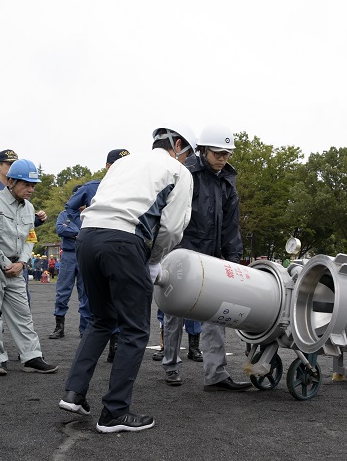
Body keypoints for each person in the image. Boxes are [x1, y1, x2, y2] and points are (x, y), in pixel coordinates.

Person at [58, 124, 195, 433]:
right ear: (178, 145)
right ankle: (115, 412)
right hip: (123, 241)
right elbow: (173, 227)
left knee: (102, 319)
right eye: (189, 153)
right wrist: (154, 260)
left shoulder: (123, 162)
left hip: (87, 237)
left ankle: (74, 392)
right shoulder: (178, 171)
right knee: (134, 329)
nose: (188, 160)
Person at [161, 125, 251, 392]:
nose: (223, 157)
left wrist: (233, 256)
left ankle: (216, 374)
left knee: (216, 312)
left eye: (227, 153)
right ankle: (171, 366)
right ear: (202, 150)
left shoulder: (227, 181)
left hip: (212, 256)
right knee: (174, 310)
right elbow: (173, 213)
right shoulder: (185, 172)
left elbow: (231, 225)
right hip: (181, 252)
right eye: (218, 152)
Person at [0, 159, 58, 376]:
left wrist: (22, 262)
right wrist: (5, 263)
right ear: (10, 181)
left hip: (17, 267)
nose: (31, 189)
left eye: (33, 185)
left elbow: (31, 237)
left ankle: (31, 357)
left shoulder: (29, 208)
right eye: (26, 184)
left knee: (23, 314)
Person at [50, 148, 130, 363]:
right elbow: (70, 209)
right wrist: (87, 226)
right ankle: (87, 345)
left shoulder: (133, 188)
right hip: (87, 251)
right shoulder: (92, 187)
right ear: (107, 166)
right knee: (87, 298)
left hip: (118, 250)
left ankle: (114, 345)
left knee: (116, 297)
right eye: (117, 164)